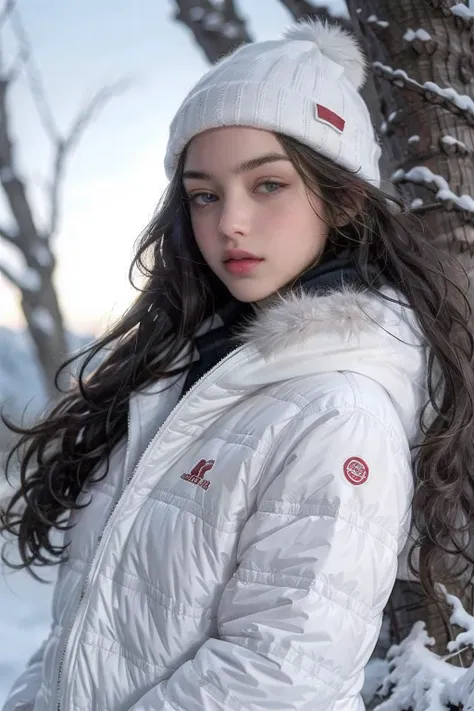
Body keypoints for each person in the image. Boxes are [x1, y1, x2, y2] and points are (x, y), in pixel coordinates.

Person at [2, 17, 474, 711]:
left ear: (341, 200)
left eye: (268, 185)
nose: (230, 223)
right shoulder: (180, 379)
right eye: (205, 194)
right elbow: (88, 630)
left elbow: (279, 677)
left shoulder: (339, 408)